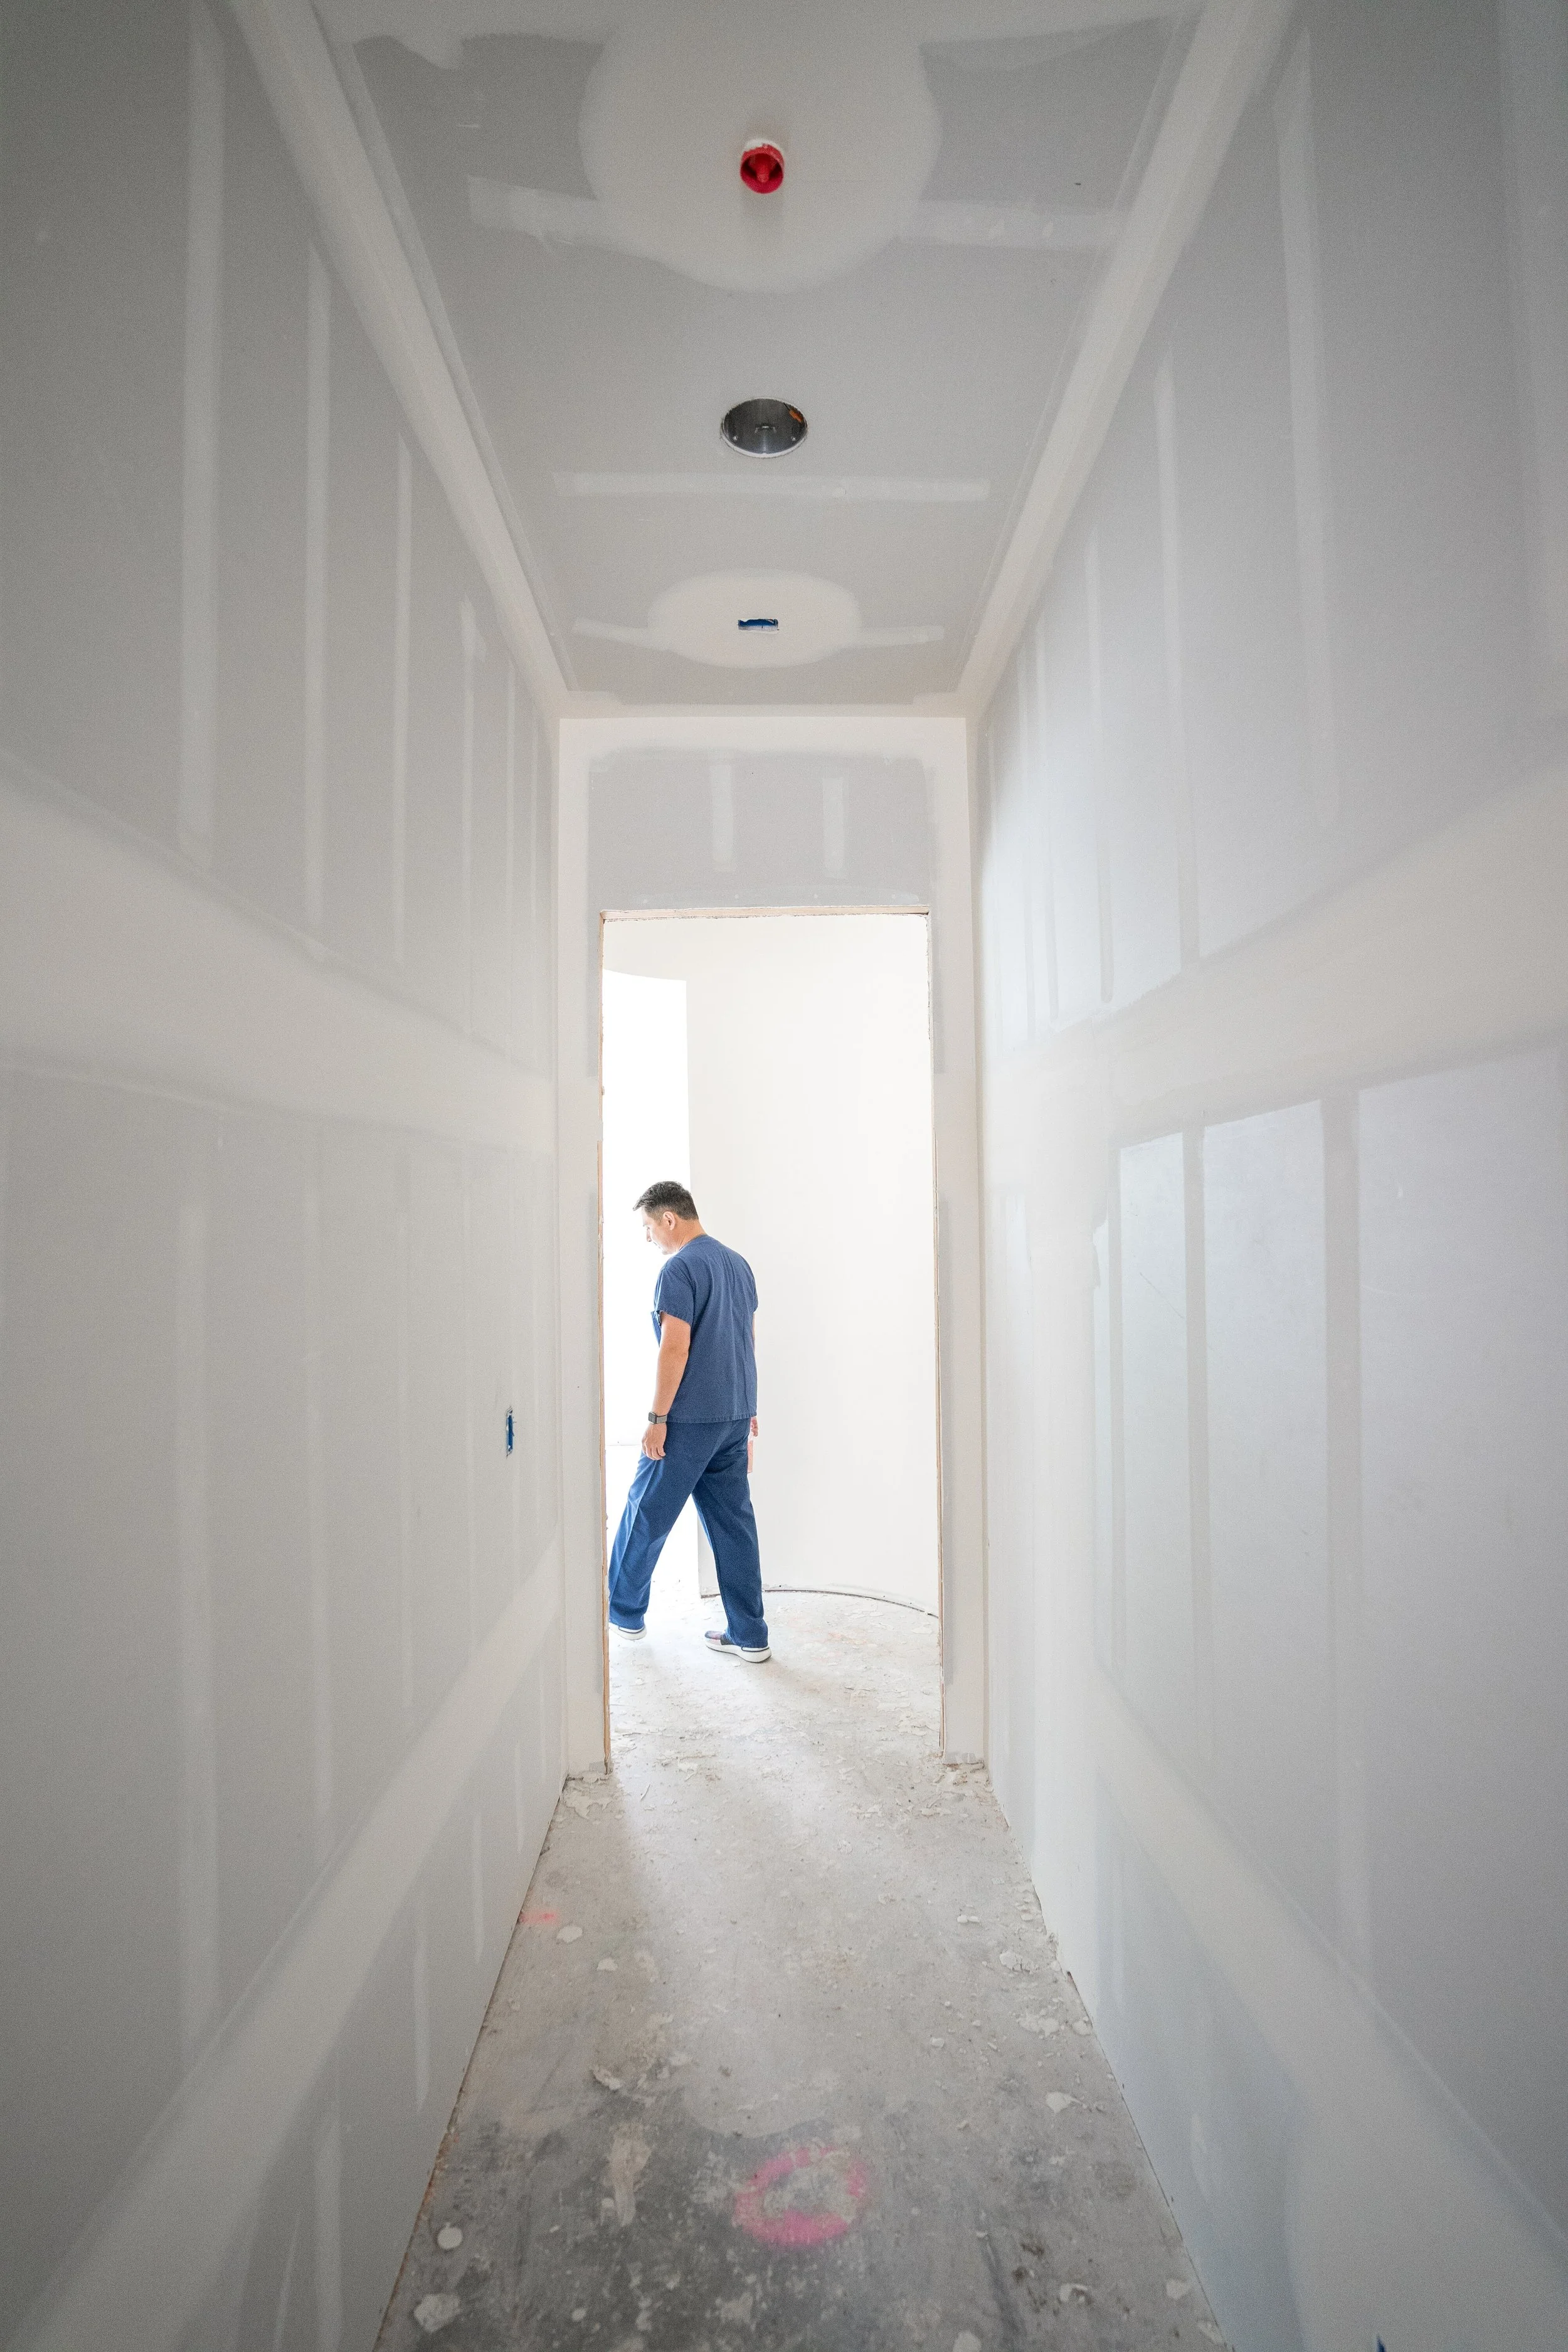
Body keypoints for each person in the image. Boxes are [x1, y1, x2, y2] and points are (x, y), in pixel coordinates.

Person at [607, 1180, 770, 1662]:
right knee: (734, 1525)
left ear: (669, 1220)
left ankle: (623, 1614)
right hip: (733, 1414)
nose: (649, 1239)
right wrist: (749, 1409)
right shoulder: (738, 1265)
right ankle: (750, 1633)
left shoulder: (679, 1270)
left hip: (690, 1419)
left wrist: (658, 1417)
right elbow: (746, 1340)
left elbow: (674, 1346)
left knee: (644, 1511)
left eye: (648, 1228)